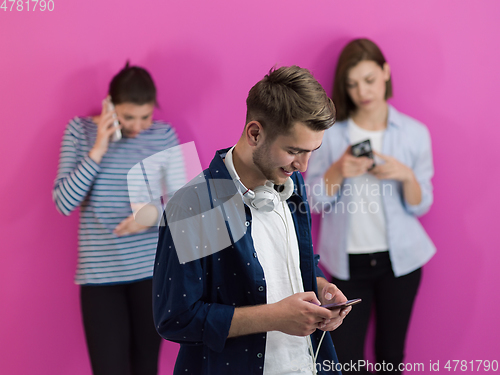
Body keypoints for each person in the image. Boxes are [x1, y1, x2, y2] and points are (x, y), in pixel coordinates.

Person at [153, 66, 353, 375]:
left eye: (312, 151)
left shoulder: (290, 183)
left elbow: (297, 262)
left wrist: (322, 288)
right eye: (293, 151)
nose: (302, 165)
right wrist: (274, 317)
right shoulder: (195, 206)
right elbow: (178, 318)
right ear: (255, 133)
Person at [305, 39, 436, 374]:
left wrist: (406, 175)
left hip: (401, 261)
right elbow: (313, 201)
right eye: (351, 84)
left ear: (385, 73)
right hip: (348, 265)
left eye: (369, 80)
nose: (362, 91)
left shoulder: (413, 133)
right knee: (347, 360)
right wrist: (338, 170)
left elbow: (421, 205)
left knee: (391, 355)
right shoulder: (329, 136)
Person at [53, 63, 186, 375]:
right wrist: (100, 147)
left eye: (145, 116)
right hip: (99, 277)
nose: (138, 126)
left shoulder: (163, 134)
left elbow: (189, 203)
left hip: (152, 272)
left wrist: (149, 217)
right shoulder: (79, 131)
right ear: (110, 107)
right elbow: (64, 202)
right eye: (129, 117)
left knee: (145, 367)